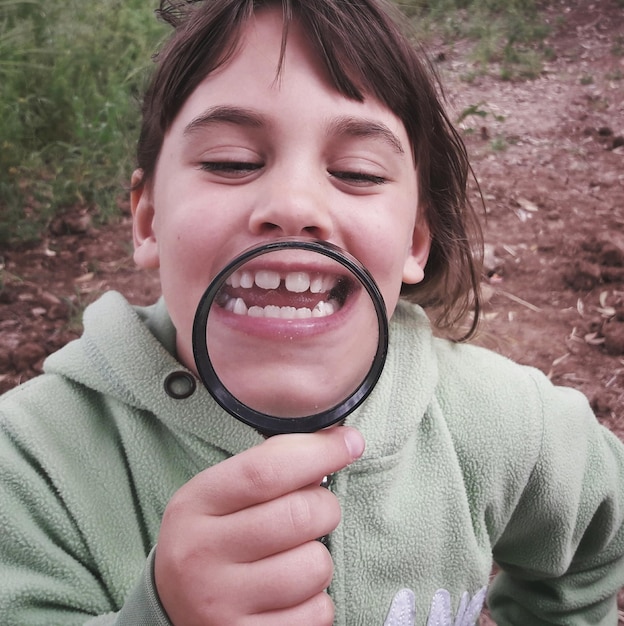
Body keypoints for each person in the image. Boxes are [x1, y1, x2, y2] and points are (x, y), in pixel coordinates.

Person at [1, 0, 623, 624]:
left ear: (414, 240)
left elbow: (601, 535)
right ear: (148, 220)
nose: (293, 205)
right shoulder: (27, 465)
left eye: (356, 172)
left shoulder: (507, 422)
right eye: (231, 162)